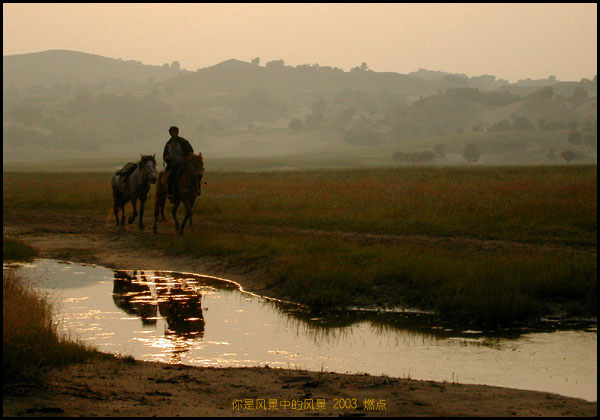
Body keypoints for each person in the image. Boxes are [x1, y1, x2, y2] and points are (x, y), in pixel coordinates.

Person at [163, 126, 194, 200]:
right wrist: (167, 158)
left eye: (175, 132)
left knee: (195, 174)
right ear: (170, 134)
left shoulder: (183, 142)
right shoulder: (168, 144)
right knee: (171, 175)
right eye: (172, 132)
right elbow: (165, 155)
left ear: (178, 132)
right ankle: (170, 192)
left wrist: (188, 157)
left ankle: (196, 190)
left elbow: (190, 151)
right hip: (173, 164)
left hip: (184, 163)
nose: (174, 134)